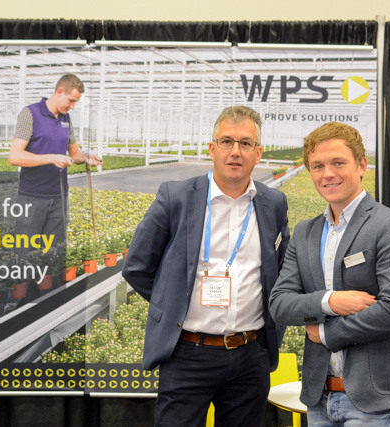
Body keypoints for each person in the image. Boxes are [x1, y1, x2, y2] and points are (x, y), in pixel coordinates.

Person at [122, 106, 290, 427]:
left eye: (246, 143)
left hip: (250, 356)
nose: (235, 152)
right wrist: (173, 303)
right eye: (226, 141)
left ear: (258, 153)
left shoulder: (273, 203)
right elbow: (137, 267)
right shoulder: (176, 197)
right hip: (187, 355)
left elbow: (279, 271)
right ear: (212, 149)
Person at [269, 122, 390, 426]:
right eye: (318, 166)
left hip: (377, 403)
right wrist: (329, 302)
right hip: (320, 399)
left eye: (338, 163)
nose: (327, 173)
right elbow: (280, 304)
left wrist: (327, 333)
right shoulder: (305, 233)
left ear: (362, 165)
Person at [7, 74, 101, 306]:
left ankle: (47, 302)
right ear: (60, 92)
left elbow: (74, 154)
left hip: (59, 197)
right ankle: (15, 305)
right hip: (31, 197)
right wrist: (50, 158)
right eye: (71, 100)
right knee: (25, 252)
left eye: (75, 102)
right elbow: (15, 156)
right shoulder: (30, 114)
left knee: (54, 252)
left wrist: (86, 158)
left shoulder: (66, 119)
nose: (73, 106)